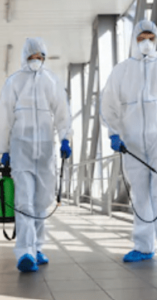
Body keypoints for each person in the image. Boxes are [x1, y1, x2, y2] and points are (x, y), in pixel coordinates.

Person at [0, 37, 72, 272]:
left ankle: (37, 246)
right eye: (32, 57)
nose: (36, 61)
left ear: (44, 58)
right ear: (24, 57)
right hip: (21, 149)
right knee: (25, 200)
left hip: (45, 150)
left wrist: (66, 137)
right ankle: (25, 252)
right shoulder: (14, 82)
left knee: (41, 202)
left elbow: (62, 111)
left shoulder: (51, 81)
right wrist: (3, 148)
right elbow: (3, 117)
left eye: (39, 57)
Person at [101, 20, 157, 263]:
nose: (146, 42)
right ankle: (144, 247)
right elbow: (107, 105)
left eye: (151, 38)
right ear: (134, 40)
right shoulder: (121, 71)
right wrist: (114, 133)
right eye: (141, 38)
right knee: (141, 195)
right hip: (132, 143)